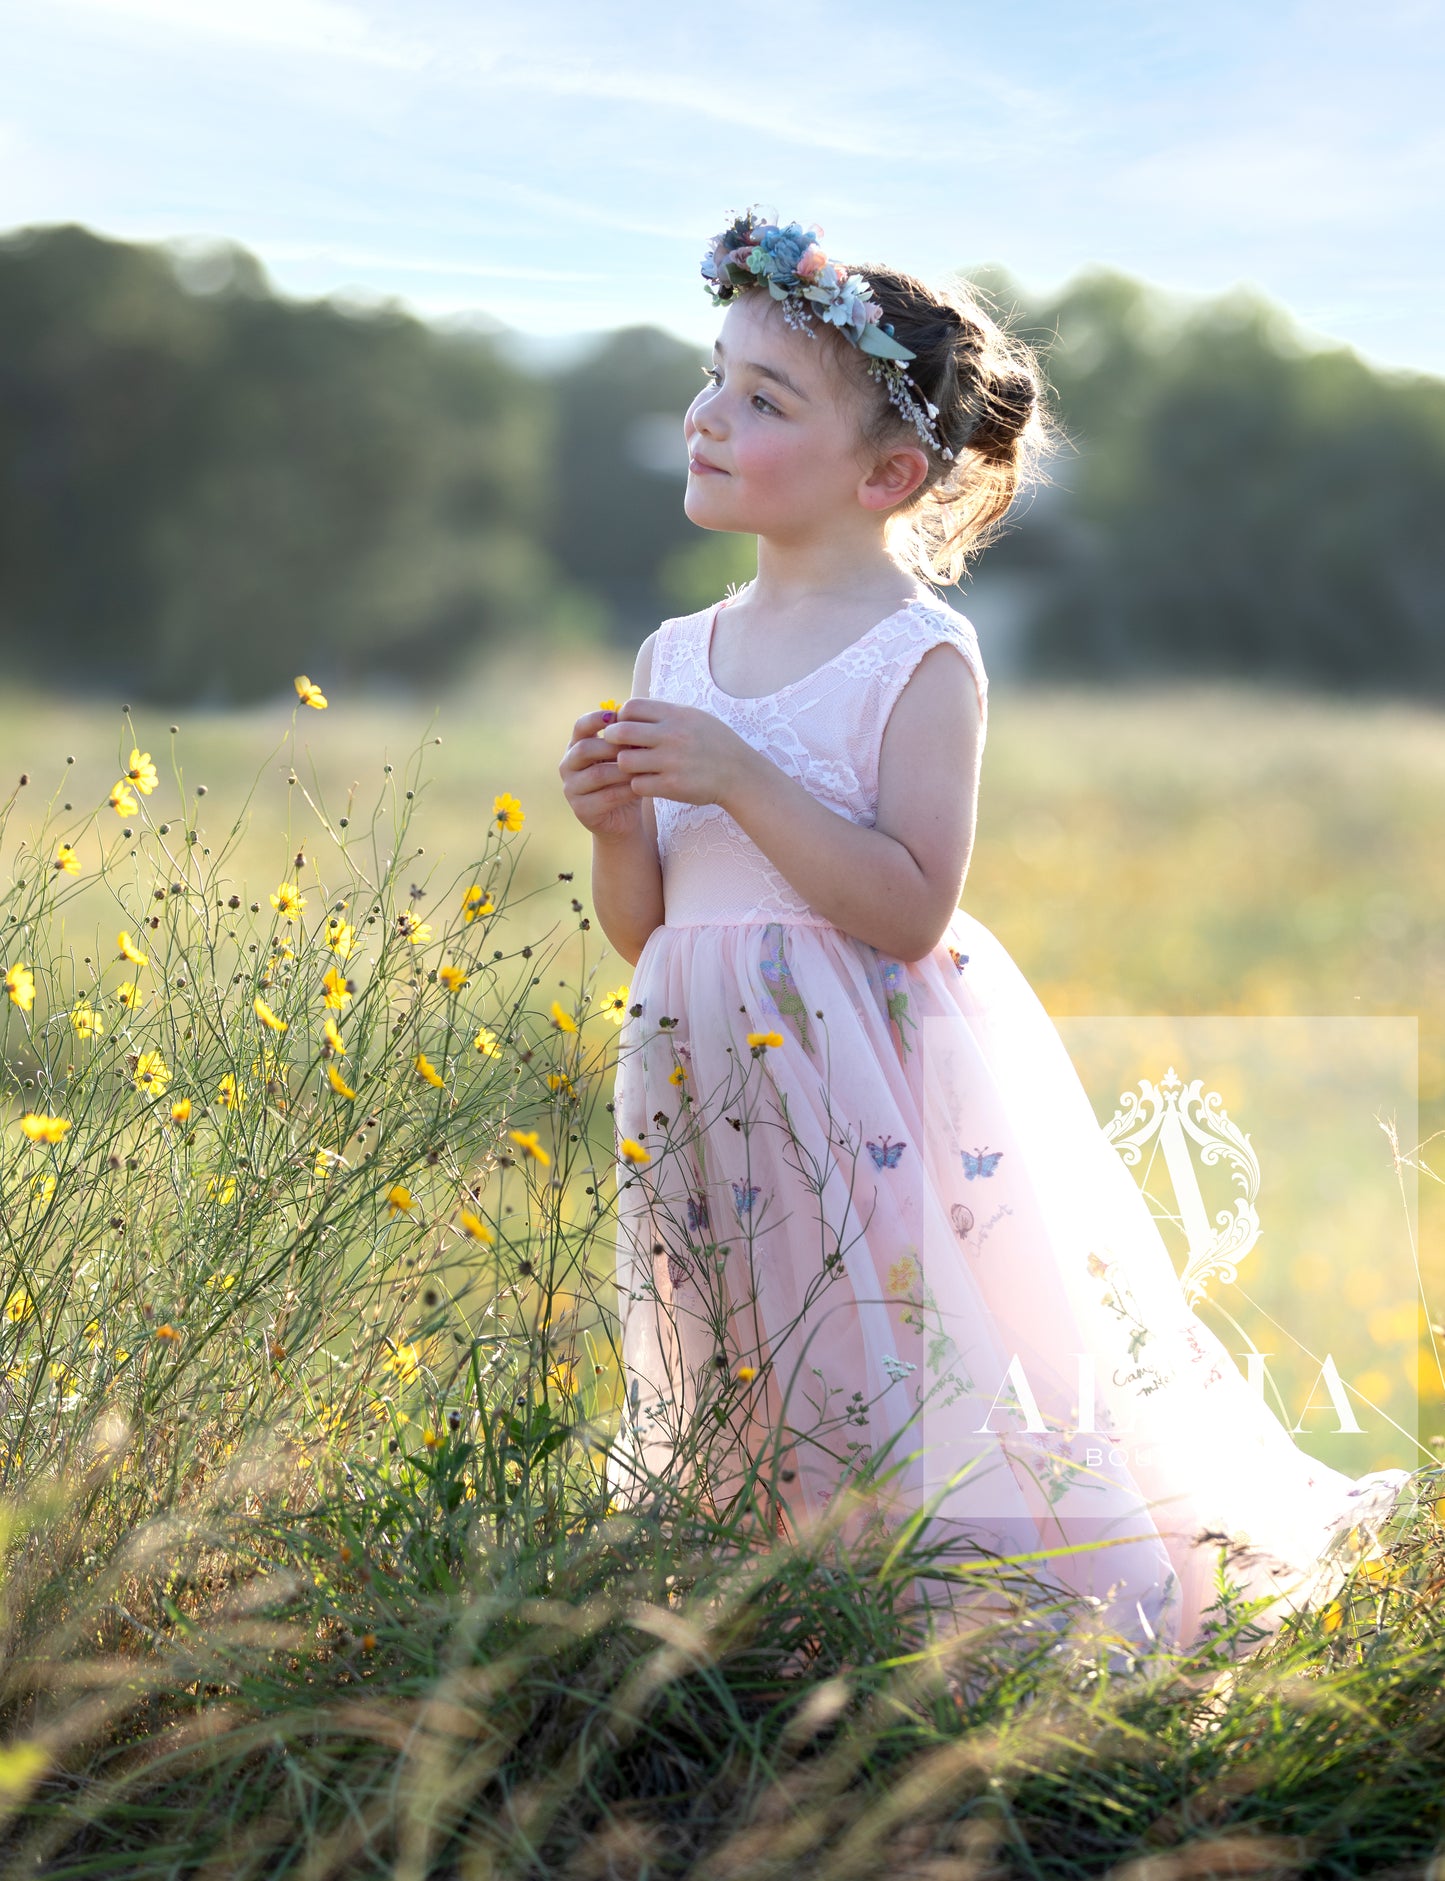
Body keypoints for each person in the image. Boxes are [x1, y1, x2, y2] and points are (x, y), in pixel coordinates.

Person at [558, 209, 1417, 1663]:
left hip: (867, 1082)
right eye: (715, 377)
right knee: (739, 1346)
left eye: (764, 400)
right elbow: (649, 935)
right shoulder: (674, 653)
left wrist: (737, 777)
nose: (709, 415)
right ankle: (780, 1620)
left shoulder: (914, 654)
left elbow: (907, 905)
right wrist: (610, 828)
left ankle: (975, 1617)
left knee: (905, 1343)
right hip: (707, 1071)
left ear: (887, 474)